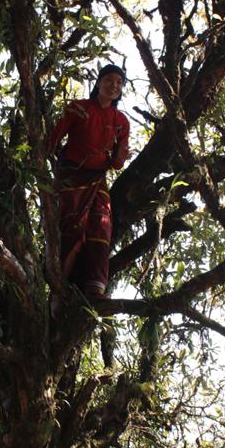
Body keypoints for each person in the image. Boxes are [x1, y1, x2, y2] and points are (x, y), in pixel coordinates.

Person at [48, 64, 130, 299]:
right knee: (72, 227)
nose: (114, 85)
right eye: (109, 80)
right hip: (71, 176)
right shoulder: (78, 108)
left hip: (97, 180)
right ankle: (62, 284)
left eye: (119, 83)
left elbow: (115, 164)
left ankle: (94, 287)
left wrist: (120, 157)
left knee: (101, 226)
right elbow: (53, 139)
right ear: (98, 83)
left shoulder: (121, 121)